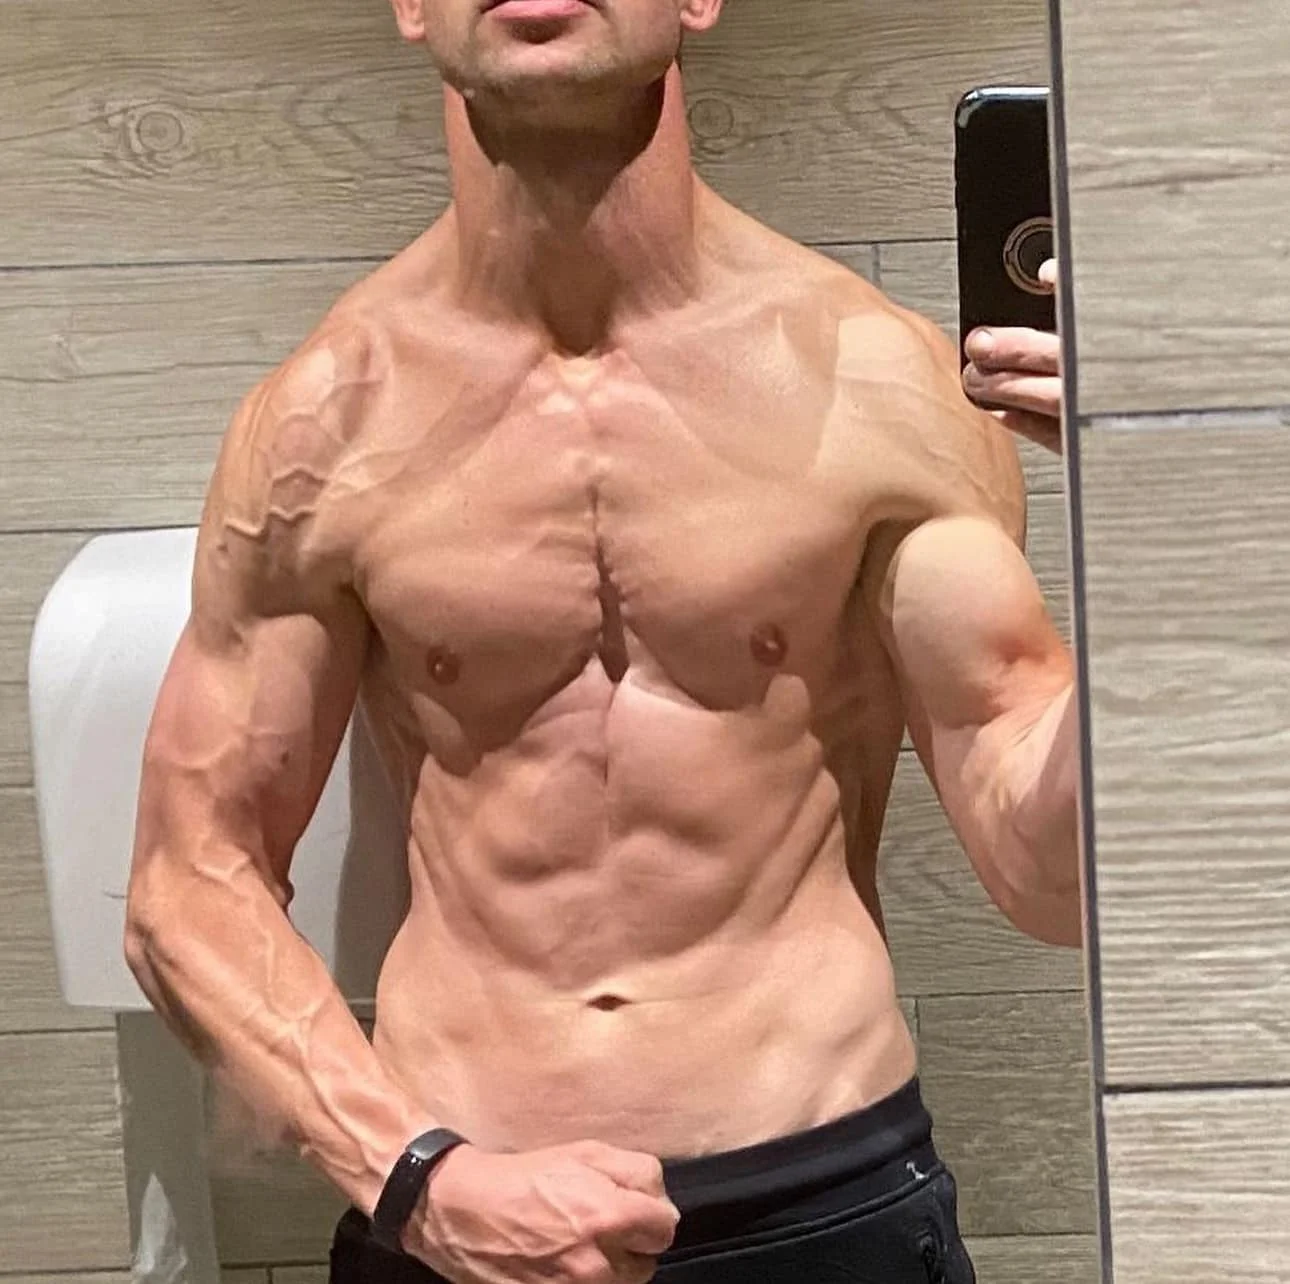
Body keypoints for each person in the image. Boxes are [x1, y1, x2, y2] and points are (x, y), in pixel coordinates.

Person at [122, 2, 1073, 1282]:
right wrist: (415, 1180)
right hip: (454, 1208)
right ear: (410, 6)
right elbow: (189, 883)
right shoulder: (321, 425)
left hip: (823, 1193)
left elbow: (1050, 874)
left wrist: (1171, 508)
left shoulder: (882, 388)